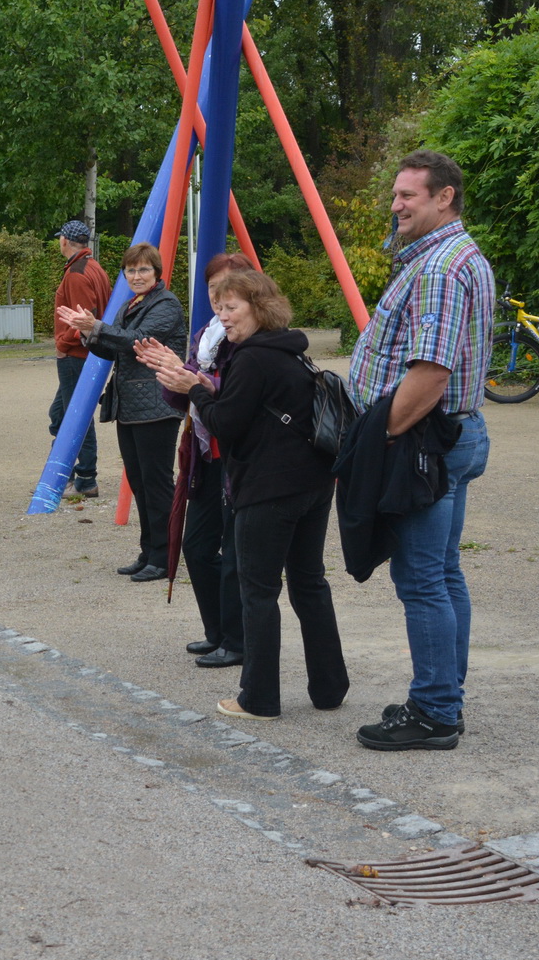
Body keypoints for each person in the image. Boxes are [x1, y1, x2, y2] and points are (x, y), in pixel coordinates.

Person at [345, 150, 494, 752]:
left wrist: (378, 441)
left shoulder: (437, 268)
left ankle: (434, 712)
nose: (396, 204)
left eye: (409, 195)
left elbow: (430, 373)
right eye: (396, 194)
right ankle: (444, 694)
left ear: (444, 197)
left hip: (424, 441)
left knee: (422, 580)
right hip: (453, 434)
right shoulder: (461, 256)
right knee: (443, 572)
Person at [149, 270, 348, 720]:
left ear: (258, 308)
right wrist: (201, 387)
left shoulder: (253, 358)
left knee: (258, 591)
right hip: (312, 483)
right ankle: (330, 686)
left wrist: (194, 388)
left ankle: (258, 698)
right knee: (309, 583)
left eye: (231, 307)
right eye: (219, 308)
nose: (224, 317)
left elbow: (226, 424)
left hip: (269, 487)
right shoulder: (291, 351)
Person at [58, 242, 185, 581]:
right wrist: (88, 331)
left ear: (156, 273)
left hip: (158, 404)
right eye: (131, 270)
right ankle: (149, 552)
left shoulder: (166, 304)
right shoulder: (131, 304)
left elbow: (137, 340)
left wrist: (96, 325)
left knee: (157, 483)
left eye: (143, 269)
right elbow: (113, 348)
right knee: (141, 482)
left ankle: (165, 556)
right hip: (129, 404)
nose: (136, 275)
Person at [159, 252, 256, 669]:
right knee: (196, 545)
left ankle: (238, 640)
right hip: (204, 451)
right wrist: (171, 376)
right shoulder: (207, 333)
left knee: (238, 555)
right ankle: (217, 631)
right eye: (214, 287)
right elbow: (184, 398)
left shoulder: (255, 334)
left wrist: (200, 383)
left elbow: (240, 395)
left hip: (241, 457)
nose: (221, 297)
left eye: (229, 286)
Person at [48, 220, 111, 497]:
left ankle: (84, 478)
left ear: (65, 241)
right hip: (87, 352)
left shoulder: (76, 273)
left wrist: (62, 343)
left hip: (77, 354)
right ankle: (68, 473)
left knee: (76, 416)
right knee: (60, 415)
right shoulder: (93, 267)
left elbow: (85, 318)